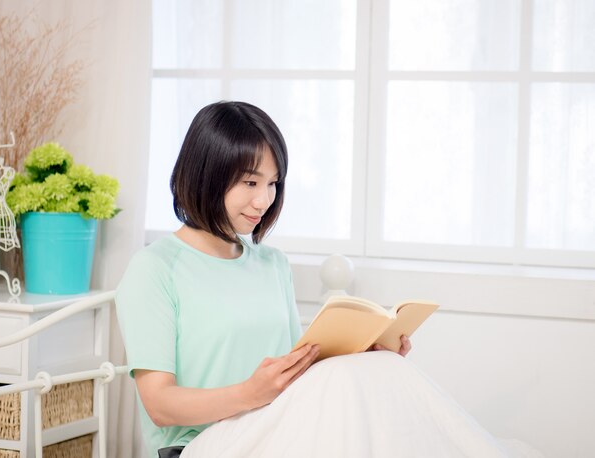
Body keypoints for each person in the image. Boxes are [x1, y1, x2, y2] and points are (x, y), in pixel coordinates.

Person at [116, 101, 516, 458]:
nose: (264, 200)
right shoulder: (155, 269)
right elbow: (160, 404)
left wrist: (365, 357)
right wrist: (250, 394)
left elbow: (299, 373)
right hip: (200, 445)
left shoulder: (271, 264)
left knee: (384, 372)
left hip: (277, 427)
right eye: (250, 182)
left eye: (273, 184)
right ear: (207, 174)